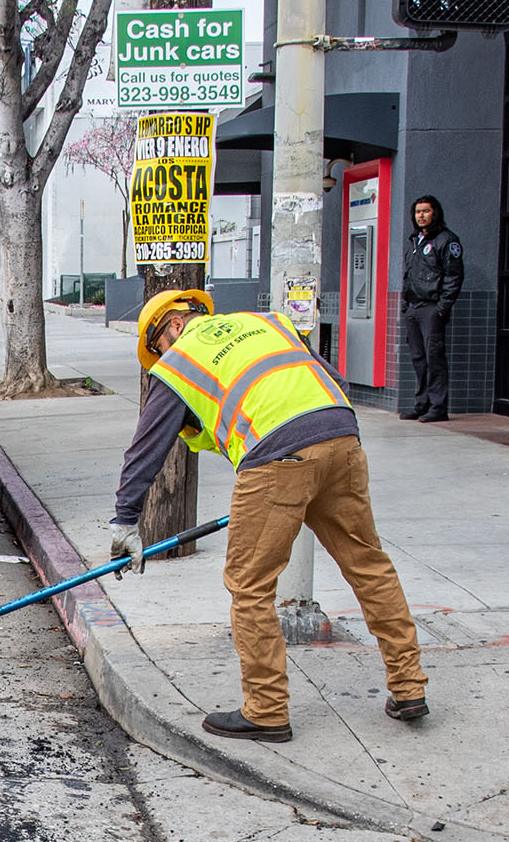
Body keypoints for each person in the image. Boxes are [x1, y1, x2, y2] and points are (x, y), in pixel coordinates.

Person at [109, 290, 427, 742]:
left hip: (277, 459)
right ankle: (409, 686)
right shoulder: (269, 324)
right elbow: (334, 379)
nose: (160, 356)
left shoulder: (178, 362)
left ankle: (266, 709)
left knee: (249, 585)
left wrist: (125, 521)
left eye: (156, 347)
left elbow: (146, 449)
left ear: (172, 327)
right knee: (369, 566)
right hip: (342, 437)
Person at [400, 195, 462, 423]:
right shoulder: (415, 241)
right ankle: (421, 403)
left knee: (434, 357)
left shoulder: (447, 240)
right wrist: (406, 305)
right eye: (418, 212)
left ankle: (438, 407)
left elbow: (453, 276)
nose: (421, 215)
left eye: (426, 211)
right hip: (414, 308)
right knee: (418, 358)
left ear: (435, 213)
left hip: (432, 308)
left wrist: (442, 307)